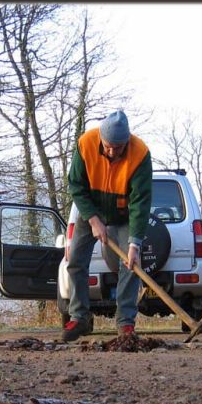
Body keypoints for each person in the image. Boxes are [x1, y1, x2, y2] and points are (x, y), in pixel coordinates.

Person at [62, 110, 153, 342]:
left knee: (131, 264)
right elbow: (75, 185)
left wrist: (135, 244)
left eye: (119, 147)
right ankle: (80, 317)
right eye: (108, 146)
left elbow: (140, 202)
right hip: (91, 209)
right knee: (75, 261)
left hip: (123, 214)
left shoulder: (140, 154)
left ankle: (125, 323)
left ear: (127, 141)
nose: (113, 152)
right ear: (101, 138)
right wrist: (93, 219)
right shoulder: (85, 144)